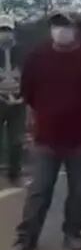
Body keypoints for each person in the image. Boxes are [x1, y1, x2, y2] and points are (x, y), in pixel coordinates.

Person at [8, 11, 81, 250]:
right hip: (47, 137)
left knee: (79, 190)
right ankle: (26, 239)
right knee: (39, 190)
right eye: (55, 25)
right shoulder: (37, 56)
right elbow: (28, 91)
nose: (60, 29)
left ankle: (73, 233)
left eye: (65, 25)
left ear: (75, 29)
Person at [0, 15, 26, 186]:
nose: (5, 34)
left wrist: (23, 96)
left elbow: (31, 76)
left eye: (8, 30)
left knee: (17, 140)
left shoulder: (22, 52)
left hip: (18, 102)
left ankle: (14, 174)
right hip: (0, 100)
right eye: (2, 30)